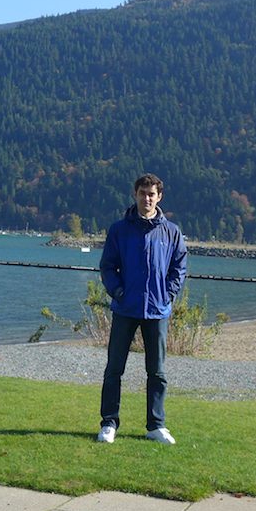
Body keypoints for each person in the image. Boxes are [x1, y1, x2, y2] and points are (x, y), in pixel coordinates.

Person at [96, 173, 187, 444]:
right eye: (142, 193)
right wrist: (118, 292)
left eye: (151, 194)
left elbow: (179, 267)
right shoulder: (119, 230)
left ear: (159, 197)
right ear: (135, 195)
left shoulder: (171, 232)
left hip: (157, 311)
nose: (147, 198)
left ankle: (156, 425)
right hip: (125, 308)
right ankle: (109, 423)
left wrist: (168, 295)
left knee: (157, 372)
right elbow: (108, 266)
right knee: (114, 369)